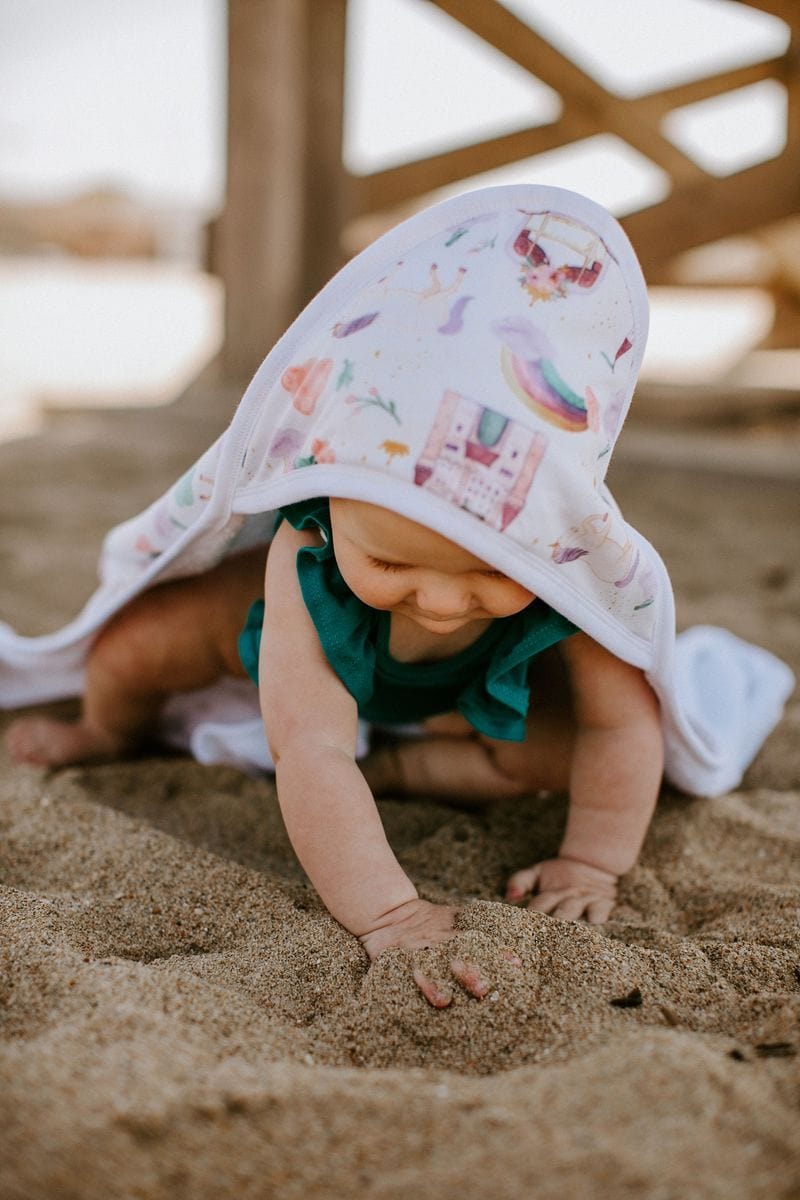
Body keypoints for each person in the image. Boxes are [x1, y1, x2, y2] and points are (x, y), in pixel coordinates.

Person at [2, 185, 793, 1006]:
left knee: (567, 756)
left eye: (493, 575)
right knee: (139, 647)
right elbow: (307, 749)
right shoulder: (305, 549)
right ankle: (101, 728)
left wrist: (592, 859)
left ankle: (401, 764)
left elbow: (619, 722)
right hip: (284, 643)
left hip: (459, 694)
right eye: (391, 563)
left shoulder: (561, 557)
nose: (443, 603)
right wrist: (390, 911)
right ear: (330, 506)